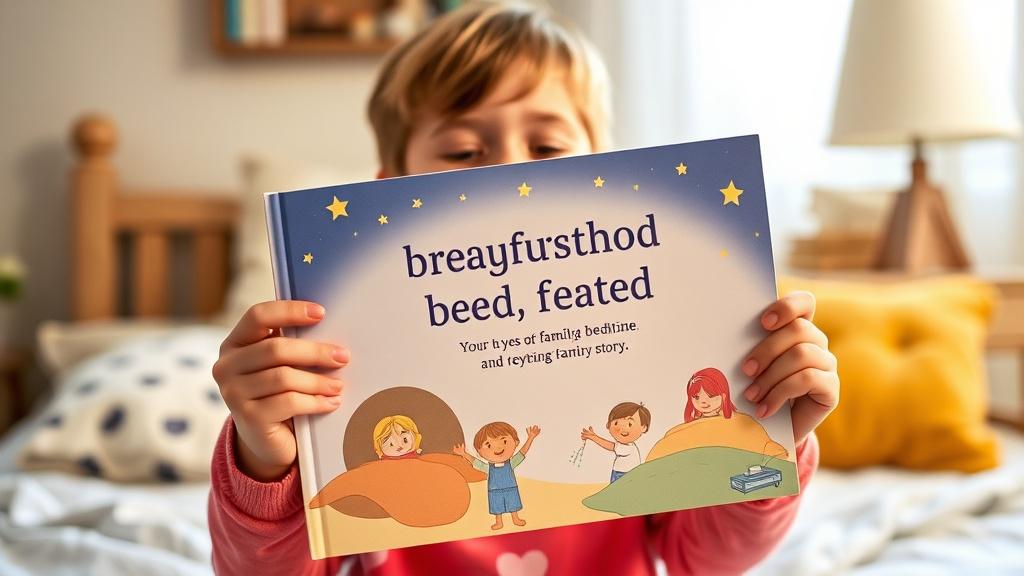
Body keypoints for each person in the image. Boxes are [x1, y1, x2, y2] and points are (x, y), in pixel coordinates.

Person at [209, 2, 839, 574]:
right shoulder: (346, 364)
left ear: (605, 167)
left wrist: (775, 435)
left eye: (547, 144)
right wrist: (265, 461)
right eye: (462, 151)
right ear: (387, 186)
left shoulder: (654, 356)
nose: (510, 169)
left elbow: (705, 559)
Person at [453, 423, 541, 530]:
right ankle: (499, 522)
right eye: (488, 445)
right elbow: (476, 463)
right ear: (479, 452)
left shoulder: (511, 463)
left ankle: (515, 518)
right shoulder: (488, 467)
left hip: (511, 489)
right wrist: (464, 454)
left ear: (516, 442)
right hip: (494, 491)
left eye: (504, 441)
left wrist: (531, 437)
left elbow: (522, 452)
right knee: (497, 506)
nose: (498, 447)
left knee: (513, 504)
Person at [581, 401, 651, 482]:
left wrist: (594, 438)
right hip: (623, 474)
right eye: (616, 423)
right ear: (608, 425)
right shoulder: (630, 446)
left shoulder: (629, 448)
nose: (622, 428)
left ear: (644, 428)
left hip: (623, 475)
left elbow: (611, 446)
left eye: (630, 424)